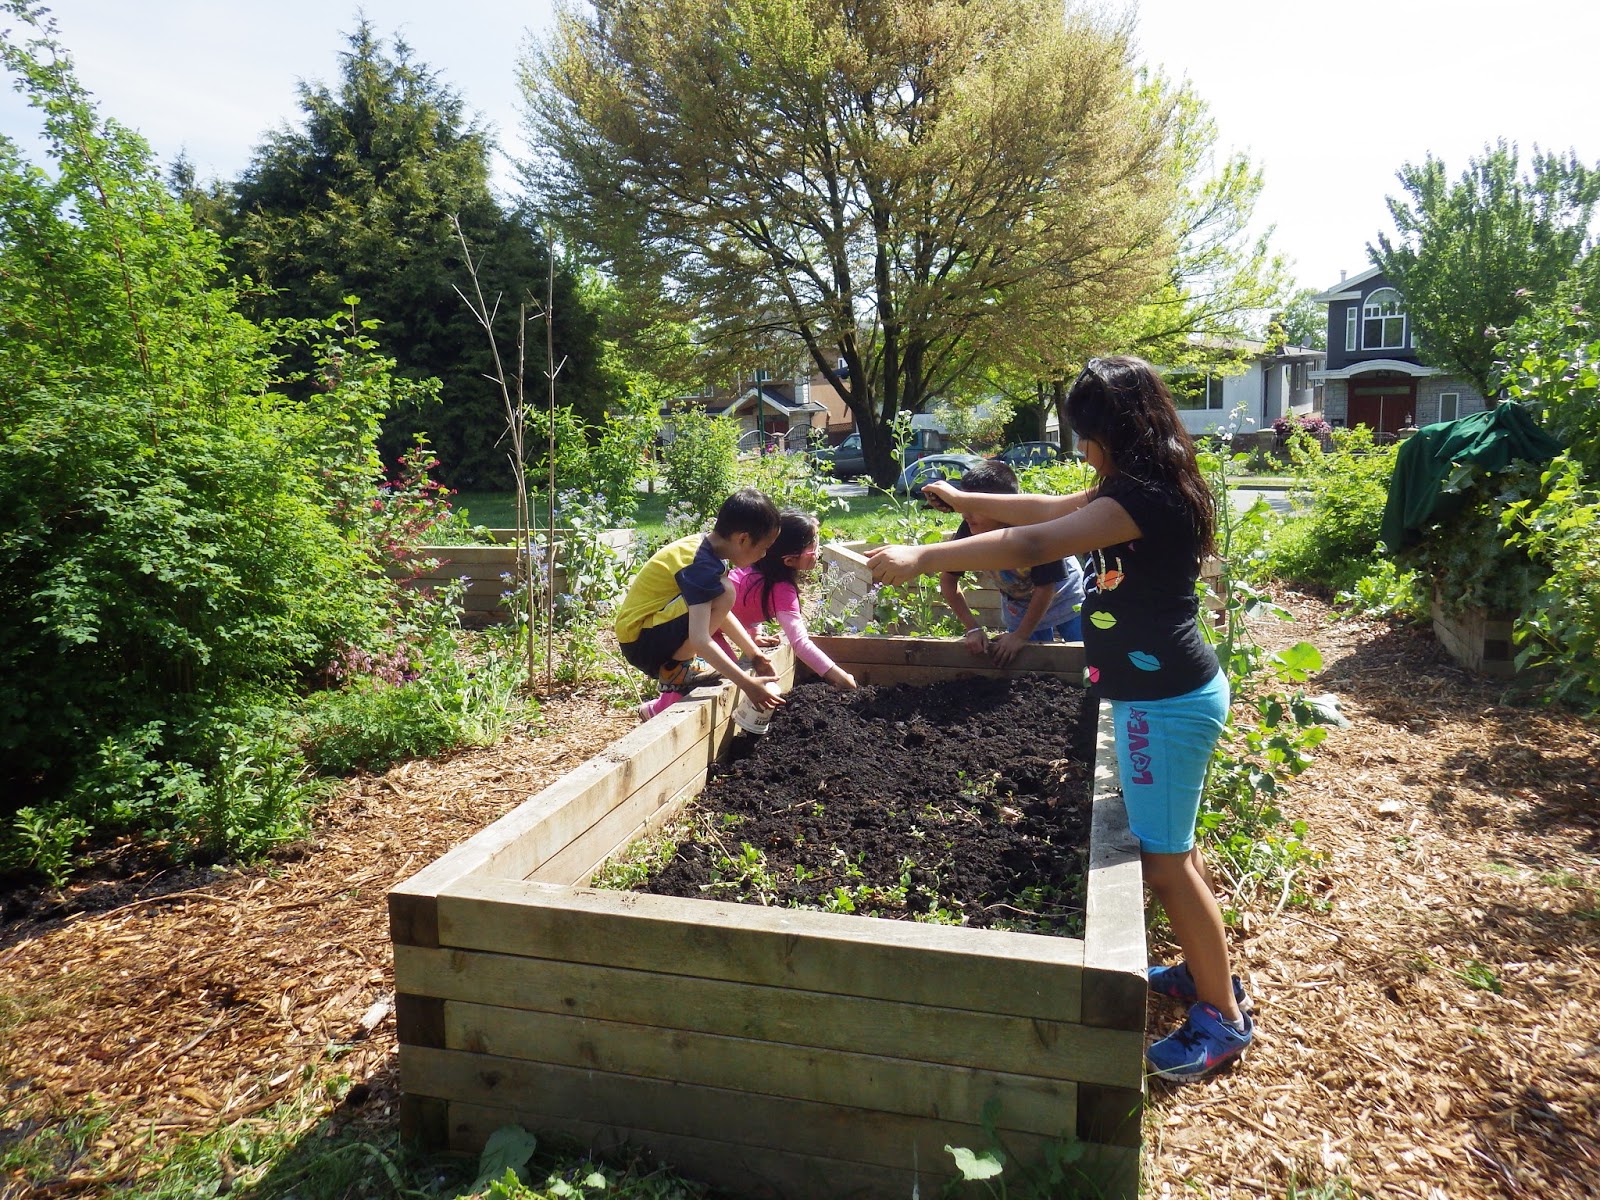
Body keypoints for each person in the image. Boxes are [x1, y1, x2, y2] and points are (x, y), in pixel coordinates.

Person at [867, 356, 1251, 1081]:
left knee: (1168, 868)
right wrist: (957, 501)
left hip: (1162, 704)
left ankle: (1223, 1018)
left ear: (1114, 432)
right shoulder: (1138, 485)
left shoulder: (1149, 497)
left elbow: (1038, 545)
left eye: (1086, 435)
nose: (1081, 449)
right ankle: (1206, 975)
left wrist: (924, 556)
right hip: (1169, 692)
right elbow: (1046, 509)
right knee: (1179, 853)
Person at [615, 489, 787, 723]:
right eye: (764, 548)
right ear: (743, 539)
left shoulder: (705, 550)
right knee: (726, 591)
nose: (764, 555)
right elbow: (700, 638)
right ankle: (676, 670)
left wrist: (754, 654)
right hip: (642, 641)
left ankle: (677, 671)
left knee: (723, 591)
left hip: (645, 633)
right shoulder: (701, 565)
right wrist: (748, 685)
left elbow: (719, 612)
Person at [932, 458, 1085, 666]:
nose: (965, 514)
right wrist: (973, 628)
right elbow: (949, 581)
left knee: (1084, 655)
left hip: (1065, 596)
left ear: (1002, 506)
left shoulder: (1034, 529)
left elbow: (1046, 587)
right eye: (962, 504)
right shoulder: (968, 530)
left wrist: (1020, 635)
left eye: (974, 505)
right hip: (1019, 604)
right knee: (1028, 664)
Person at [725, 510, 859, 692]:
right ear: (789, 560)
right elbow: (800, 643)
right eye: (813, 546)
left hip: (708, 622)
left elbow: (747, 603)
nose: (817, 550)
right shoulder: (782, 590)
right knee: (723, 679)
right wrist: (839, 676)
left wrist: (754, 633)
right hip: (698, 627)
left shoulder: (759, 568)